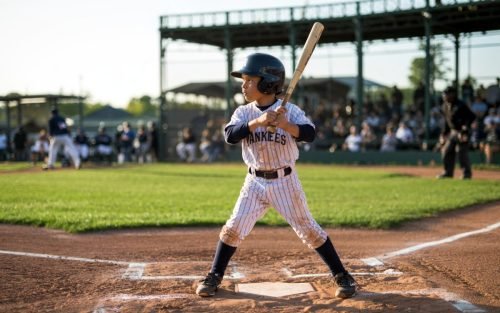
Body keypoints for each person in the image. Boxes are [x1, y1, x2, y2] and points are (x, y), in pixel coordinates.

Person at [195, 53, 356, 299]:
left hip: (285, 181)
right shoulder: (244, 112)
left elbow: (310, 133)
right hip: (254, 182)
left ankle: (342, 275)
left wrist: (286, 125)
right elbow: (230, 135)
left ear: (267, 83)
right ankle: (214, 275)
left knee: (309, 230)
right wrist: (257, 122)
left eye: (250, 80)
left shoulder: (290, 110)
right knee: (233, 228)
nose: (244, 84)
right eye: (244, 80)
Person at [437, 86, 476, 179]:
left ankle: (466, 173)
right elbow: (447, 121)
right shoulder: (445, 106)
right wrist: (443, 134)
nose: (444, 96)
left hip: (462, 132)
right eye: (444, 94)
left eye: (446, 94)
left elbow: (471, 117)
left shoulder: (461, 105)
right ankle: (448, 172)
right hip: (453, 132)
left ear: (453, 94)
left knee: (461, 152)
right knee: (446, 151)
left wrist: (464, 131)